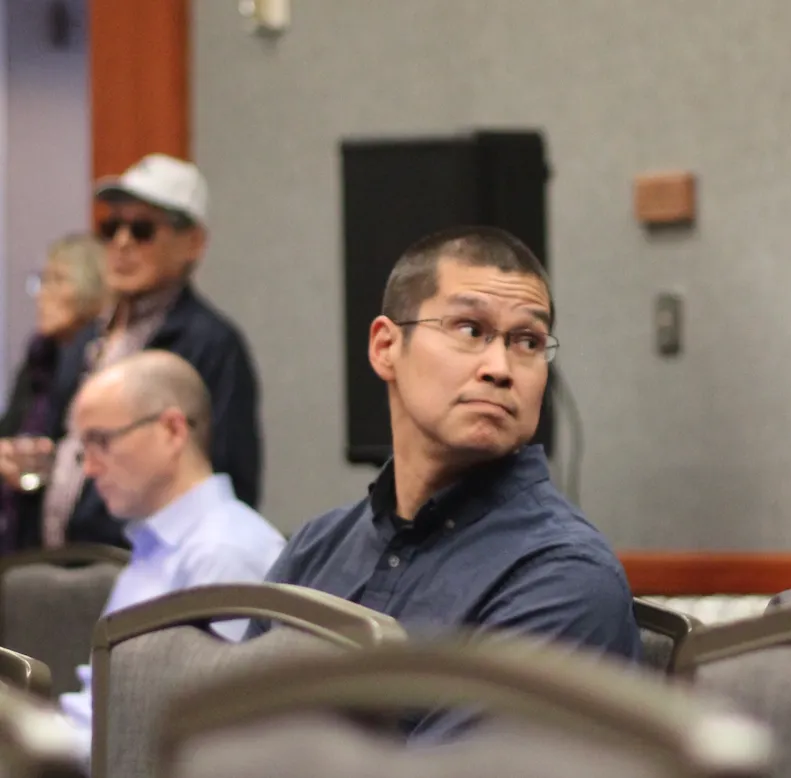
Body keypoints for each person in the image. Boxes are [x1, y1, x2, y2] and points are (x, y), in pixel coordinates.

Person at [247, 225, 642, 740]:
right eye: (470, 329)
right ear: (386, 346)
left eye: (528, 341)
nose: (500, 368)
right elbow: (221, 742)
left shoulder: (565, 578)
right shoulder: (316, 548)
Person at [6, 153, 263, 550]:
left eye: (142, 230)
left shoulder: (211, 345)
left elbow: (228, 483)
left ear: (192, 243)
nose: (122, 243)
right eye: (111, 227)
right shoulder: (86, 337)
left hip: (142, 571)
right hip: (52, 570)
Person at [57, 350, 285, 763]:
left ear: (172, 430)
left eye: (101, 441)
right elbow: (102, 711)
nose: (88, 468)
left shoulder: (223, 553)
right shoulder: (157, 545)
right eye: (83, 447)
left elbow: (195, 744)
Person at [0, 234, 106, 551]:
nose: (42, 294)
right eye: (42, 280)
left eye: (57, 280)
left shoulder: (100, 363)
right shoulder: (39, 358)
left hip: (82, 535)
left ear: (94, 289)